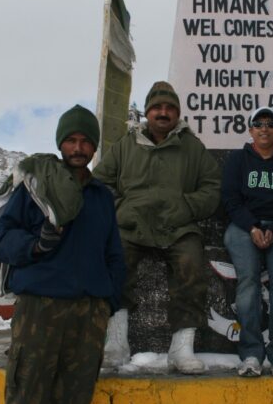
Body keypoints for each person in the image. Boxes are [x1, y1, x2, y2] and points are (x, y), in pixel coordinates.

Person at [0, 104, 125, 404]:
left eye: (85, 141)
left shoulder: (102, 197)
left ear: (95, 146)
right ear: (60, 144)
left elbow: (113, 254)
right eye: (71, 140)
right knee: (26, 403)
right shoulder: (35, 187)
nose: (78, 148)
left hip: (88, 314)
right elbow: (3, 238)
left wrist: (107, 300)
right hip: (40, 309)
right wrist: (36, 245)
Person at [94, 81, 221, 374]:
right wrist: (121, 209)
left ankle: (181, 348)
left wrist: (186, 207)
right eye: (157, 107)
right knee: (115, 262)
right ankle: (115, 343)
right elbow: (100, 184)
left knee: (191, 263)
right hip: (132, 225)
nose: (163, 113)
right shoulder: (126, 145)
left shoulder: (192, 147)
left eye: (170, 108)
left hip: (177, 226)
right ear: (148, 112)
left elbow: (212, 187)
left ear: (177, 113)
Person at [221, 107, 273, 378]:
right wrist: (252, 227)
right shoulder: (238, 159)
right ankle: (251, 354)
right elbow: (231, 200)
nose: (264, 128)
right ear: (250, 131)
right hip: (244, 226)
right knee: (248, 282)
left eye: (270, 124)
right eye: (258, 124)